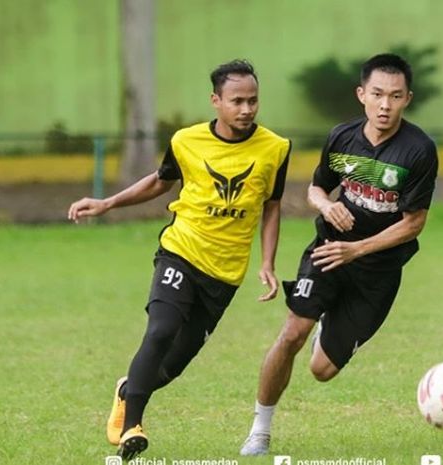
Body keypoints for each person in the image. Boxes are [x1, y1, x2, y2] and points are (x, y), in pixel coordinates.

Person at [68, 59, 291, 460]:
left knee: (171, 366)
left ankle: (126, 390)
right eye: (237, 101)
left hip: (225, 274)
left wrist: (267, 263)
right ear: (216, 101)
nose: (246, 109)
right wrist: (107, 203)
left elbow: (272, 206)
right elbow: (160, 181)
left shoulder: (275, 148)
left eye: (253, 101)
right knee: (161, 330)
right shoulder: (186, 141)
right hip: (181, 251)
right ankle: (132, 427)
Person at [239, 53, 438, 456]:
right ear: (361, 94)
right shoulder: (341, 137)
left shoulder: (419, 150)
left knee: (322, 371)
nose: (385, 105)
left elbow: (413, 223)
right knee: (293, 331)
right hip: (329, 251)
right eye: (378, 94)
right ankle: (259, 430)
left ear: (407, 99)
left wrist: (359, 249)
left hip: (377, 271)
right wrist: (327, 206)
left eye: (395, 96)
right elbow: (315, 188)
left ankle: (327, 325)